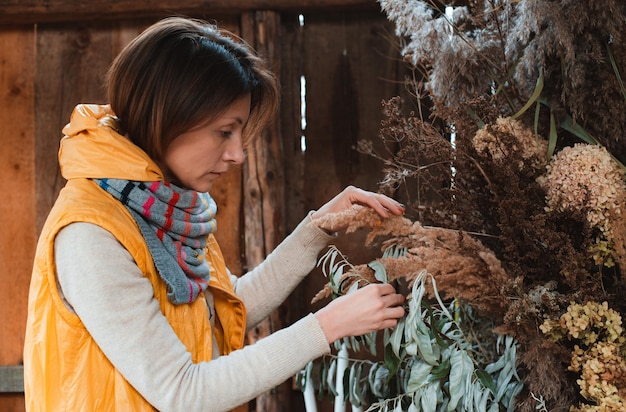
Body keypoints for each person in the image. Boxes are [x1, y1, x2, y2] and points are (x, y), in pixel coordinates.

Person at [23, 16, 406, 411]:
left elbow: (221, 307)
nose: (238, 154)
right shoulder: (91, 233)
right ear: (168, 115)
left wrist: (318, 229)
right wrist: (328, 327)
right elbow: (183, 392)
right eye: (225, 131)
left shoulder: (164, 206)